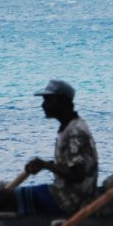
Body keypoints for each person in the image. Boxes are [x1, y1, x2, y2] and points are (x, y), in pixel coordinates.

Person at [16, 79, 98, 217]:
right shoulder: (69, 126)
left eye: (48, 100)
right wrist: (45, 165)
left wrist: (46, 165)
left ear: (63, 102)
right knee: (7, 196)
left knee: (5, 198)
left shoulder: (74, 131)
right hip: (68, 195)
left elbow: (78, 175)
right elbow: (71, 165)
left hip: (70, 201)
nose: (43, 105)